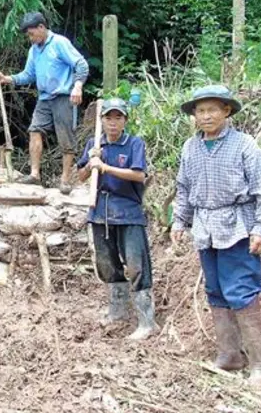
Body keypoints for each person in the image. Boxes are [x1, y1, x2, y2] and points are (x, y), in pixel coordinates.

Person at [171, 85, 261, 390]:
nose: (205, 116)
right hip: (205, 229)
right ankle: (230, 355)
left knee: (241, 292)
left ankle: (259, 365)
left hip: (238, 228)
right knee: (215, 291)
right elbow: (183, 189)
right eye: (200, 111)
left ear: (226, 111)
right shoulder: (190, 148)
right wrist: (179, 221)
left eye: (212, 110)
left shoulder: (244, 145)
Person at [77, 98, 156, 341]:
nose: (113, 123)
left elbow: (138, 175)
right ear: (101, 120)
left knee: (136, 264)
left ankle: (146, 322)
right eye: (108, 118)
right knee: (106, 264)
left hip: (128, 212)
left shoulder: (134, 144)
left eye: (118, 118)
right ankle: (118, 311)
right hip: (100, 212)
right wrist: (91, 162)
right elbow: (80, 176)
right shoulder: (94, 144)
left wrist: (106, 168)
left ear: (125, 120)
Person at [0, 12, 89, 194]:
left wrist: (77, 87)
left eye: (31, 34)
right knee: (35, 130)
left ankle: (65, 180)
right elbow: (28, 75)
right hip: (44, 98)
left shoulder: (59, 43)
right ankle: (35, 175)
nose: (30, 38)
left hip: (63, 95)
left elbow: (81, 64)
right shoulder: (34, 50)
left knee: (66, 138)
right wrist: (7, 78)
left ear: (41, 27)